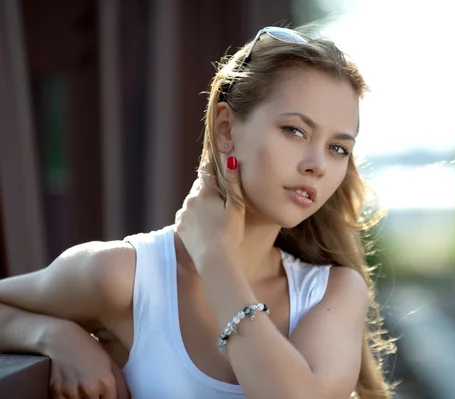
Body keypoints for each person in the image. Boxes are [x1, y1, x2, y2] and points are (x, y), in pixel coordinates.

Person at [0, 26, 395, 399]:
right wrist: (51, 336)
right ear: (226, 128)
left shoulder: (331, 293)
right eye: (295, 130)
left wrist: (216, 260)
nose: (318, 165)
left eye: (338, 148)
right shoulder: (127, 277)